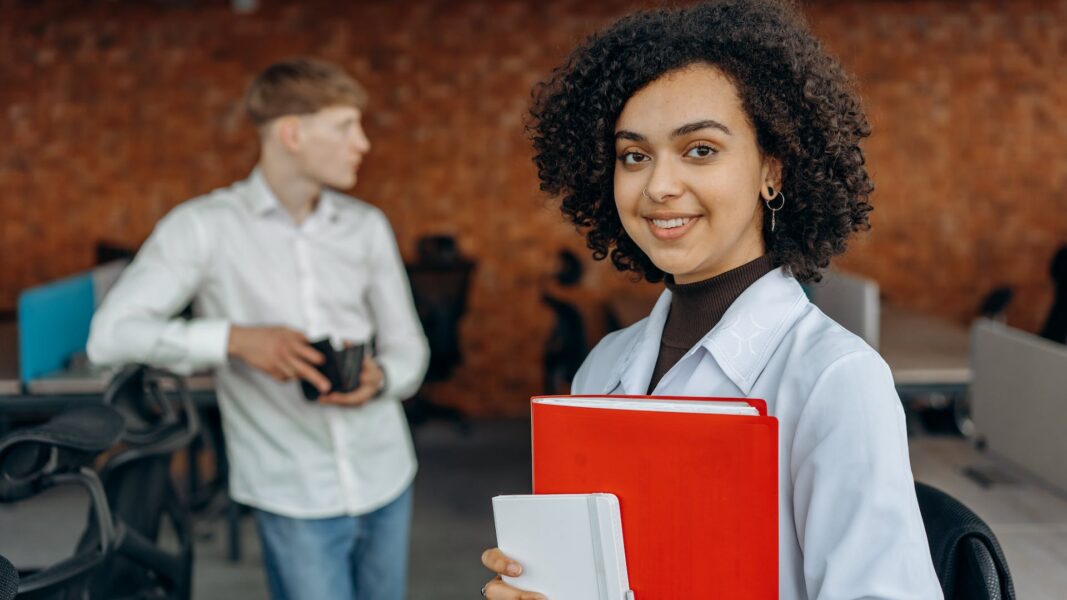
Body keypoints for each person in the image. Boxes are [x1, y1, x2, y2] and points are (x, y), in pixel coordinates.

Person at [480, 1, 942, 598]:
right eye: (634, 156)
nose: (658, 186)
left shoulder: (835, 378)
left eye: (700, 149)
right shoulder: (605, 366)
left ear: (770, 169)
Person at [88, 58, 429, 600]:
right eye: (345, 127)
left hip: (386, 472)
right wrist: (233, 339)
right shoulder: (203, 227)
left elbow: (409, 346)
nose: (362, 143)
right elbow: (109, 336)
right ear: (291, 133)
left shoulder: (367, 226)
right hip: (291, 492)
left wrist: (382, 378)